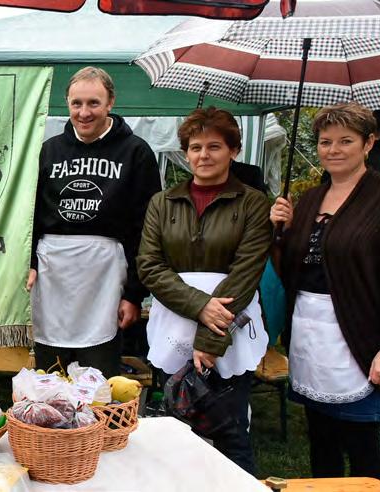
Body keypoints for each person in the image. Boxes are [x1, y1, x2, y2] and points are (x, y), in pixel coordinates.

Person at [270, 103, 380, 480]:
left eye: (346, 141)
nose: (333, 150)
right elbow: (295, 270)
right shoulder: (310, 200)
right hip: (310, 335)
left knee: (361, 445)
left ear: (368, 143)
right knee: (320, 439)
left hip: (359, 334)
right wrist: (283, 232)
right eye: (325, 142)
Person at [138, 107, 272, 474]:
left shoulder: (253, 203)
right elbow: (150, 265)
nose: (204, 155)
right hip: (175, 324)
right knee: (175, 428)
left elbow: (246, 272)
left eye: (215, 146)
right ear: (185, 153)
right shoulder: (162, 203)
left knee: (230, 431)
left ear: (233, 150)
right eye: (195, 147)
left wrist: (211, 339)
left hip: (231, 325)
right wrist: (200, 307)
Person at [27, 66, 161, 378]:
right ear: (67, 104)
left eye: (93, 103)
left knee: (98, 376)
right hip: (53, 276)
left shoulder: (136, 152)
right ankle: (46, 427)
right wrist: (30, 259)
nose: (84, 113)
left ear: (110, 102)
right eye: (77, 103)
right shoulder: (49, 151)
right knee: (49, 374)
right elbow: (31, 215)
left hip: (105, 277)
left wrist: (133, 294)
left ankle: (95, 428)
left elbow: (147, 227)